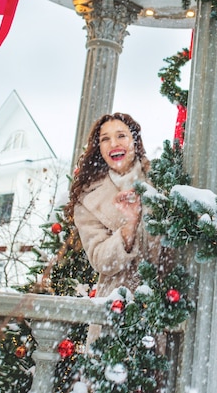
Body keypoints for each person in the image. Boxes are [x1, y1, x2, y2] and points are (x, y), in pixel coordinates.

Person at [65, 112, 170, 311]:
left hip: (166, 303)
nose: (114, 143)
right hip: (118, 306)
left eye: (121, 135)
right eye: (105, 139)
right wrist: (129, 227)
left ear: (135, 141)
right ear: (99, 148)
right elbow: (101, 260)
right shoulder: (88, 198)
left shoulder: (162, 180)